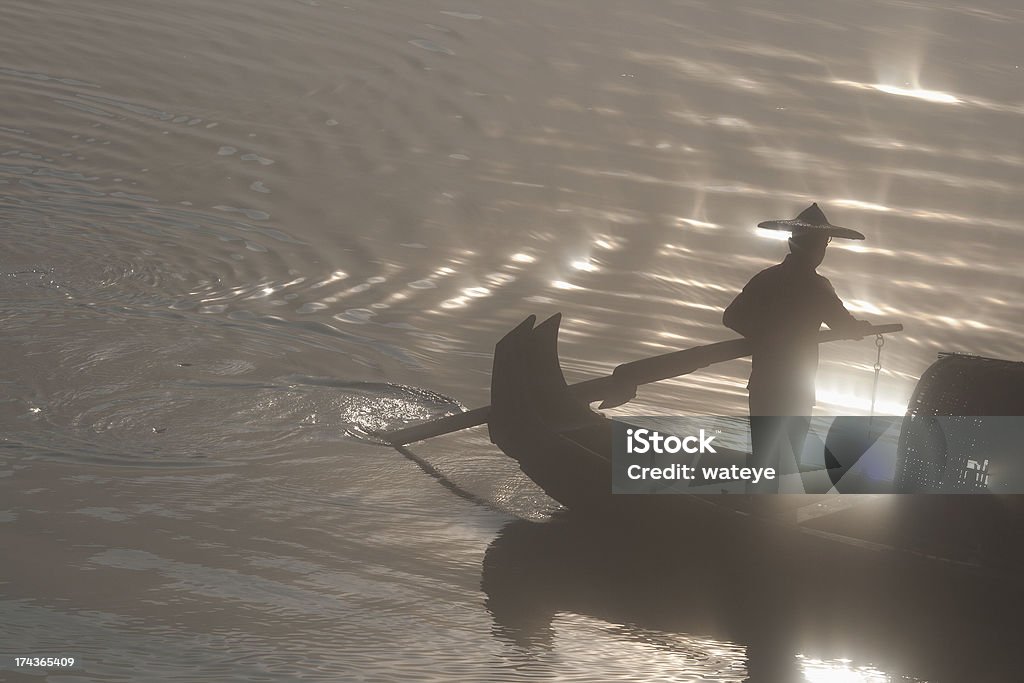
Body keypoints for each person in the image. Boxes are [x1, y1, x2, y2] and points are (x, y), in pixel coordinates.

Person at [723, 203, 872, 491]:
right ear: (818, 247)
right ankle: (772, 522)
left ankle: (757, 513)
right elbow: (844, 326)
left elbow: (732, 317)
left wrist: (766, 336)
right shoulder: (818, 287)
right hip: (796, 387)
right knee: (788, 459)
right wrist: (859, 329)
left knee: (765, 455)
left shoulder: (766, 278)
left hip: (764, 383)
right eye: (824, 243)